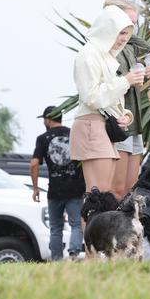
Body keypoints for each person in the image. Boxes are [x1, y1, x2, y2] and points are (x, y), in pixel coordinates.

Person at [69, 5, 145, 193]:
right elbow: (91, 97)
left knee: (102, 196)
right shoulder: (89, 54)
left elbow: (110, 98)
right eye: (121, 34)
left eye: (127, 35)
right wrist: (125, 81)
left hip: (104, 126)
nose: (123, 40)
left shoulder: (105, 56)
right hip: (92, 125)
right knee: (98, 194)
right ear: (108, 29)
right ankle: (89, 224)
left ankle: (95, 223)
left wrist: (126, 116)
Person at [103, 0, 150, 198]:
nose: (133, 27)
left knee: (131, 190)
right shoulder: (107, 48)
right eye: (128, 22)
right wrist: (130, 79)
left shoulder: (129, 46)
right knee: (115, 190)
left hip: (134, 120)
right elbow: (107, 86)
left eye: (134, 23)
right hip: (118, 121)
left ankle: (125, 228)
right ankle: (111, 229)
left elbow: (143, 45)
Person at [31, 106, 86, 261]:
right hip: (76, 188)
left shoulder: (43, 138)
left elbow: (34, 164)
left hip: (55, 190)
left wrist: (35, 188)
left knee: (56, 228)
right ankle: (74, 254)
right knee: (76, 224)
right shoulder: (73, 134)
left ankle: (56, 259)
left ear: (48, 120)